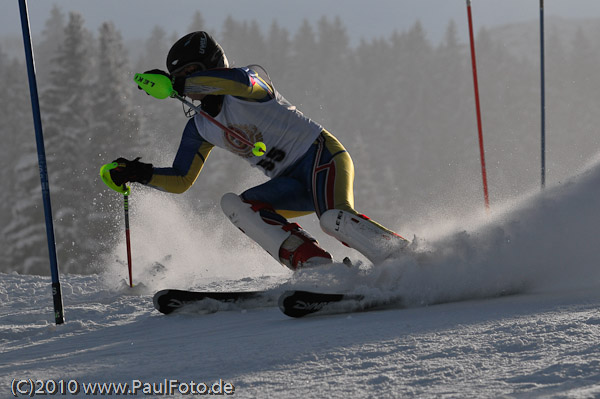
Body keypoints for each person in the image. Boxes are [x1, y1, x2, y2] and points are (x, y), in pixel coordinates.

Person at [111, 31, 407, 270]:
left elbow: (238, 82)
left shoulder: (249, 81)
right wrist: (140, 174)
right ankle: (315, 268)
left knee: (332, 218)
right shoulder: (200, 126)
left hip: (321, 157)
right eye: (181, 76)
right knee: (237, 206)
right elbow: (180, 179)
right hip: (289, 182)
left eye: (192, 73)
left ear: (213, 66)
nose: (189, 87)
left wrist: (181, 81)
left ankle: (405, 258)